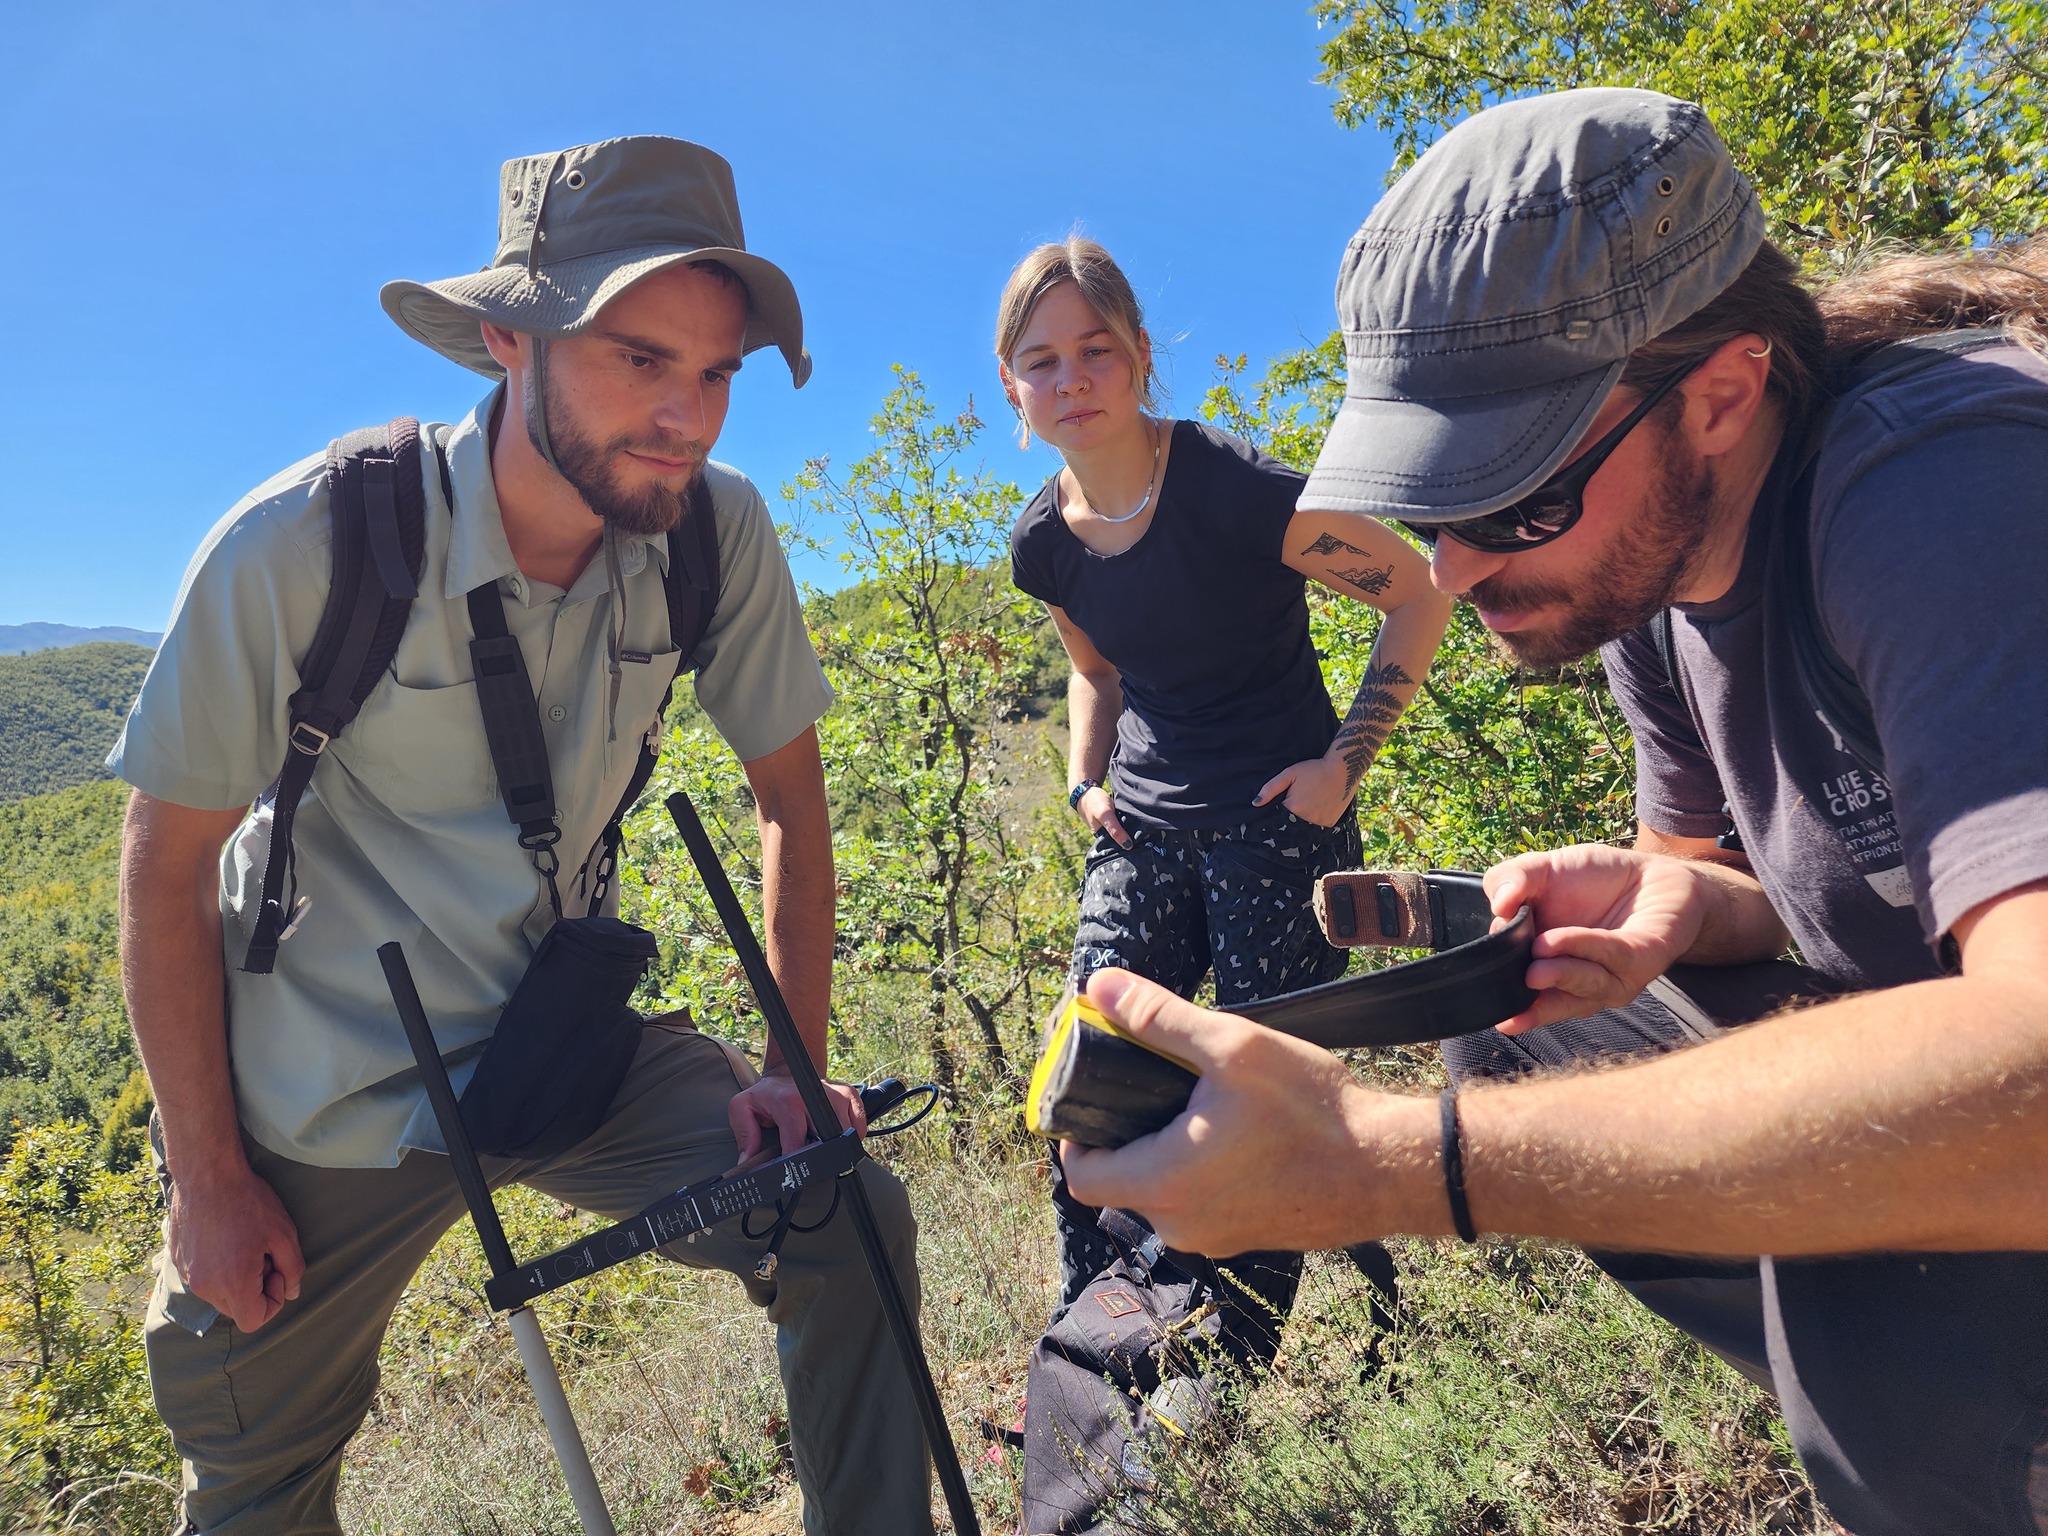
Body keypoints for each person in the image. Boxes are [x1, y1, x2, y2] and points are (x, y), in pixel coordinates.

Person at [1058, 89, 2048, 1536]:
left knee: (1883, 1318)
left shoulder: (1938, 489)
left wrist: (1394, 1165)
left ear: (1721, 393)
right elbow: (1793, 879)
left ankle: (1946, 1401)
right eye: (1429, 509)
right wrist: (1690, 904)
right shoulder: (1659, 573)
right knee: (1527, 1028)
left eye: (1512, 502)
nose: (1451, 572)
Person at [114, 136, 931, 1536]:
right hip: (328, 1092)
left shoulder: (713, 533)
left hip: (562, 1043)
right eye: (638, 358)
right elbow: (164, 867)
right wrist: (209, 1180)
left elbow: (790, 804)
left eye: (717, 373)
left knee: (839, 1210)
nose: (685, 417)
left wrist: (791, 1072)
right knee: (253, 1474)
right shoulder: (305, 545)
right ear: (509, 340)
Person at [998, 237, 1450, 1391]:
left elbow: (1413, 593)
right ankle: (1091, 1370)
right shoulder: (1043, 544)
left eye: (1095, 350)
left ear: (1139, 355)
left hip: (1273, 826)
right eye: (1041, 360)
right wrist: (1084, 781)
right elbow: (1094, 672)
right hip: (1141, 830)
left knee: (1257, 1105)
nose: (1070, 379)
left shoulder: (1235, 490)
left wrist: (1340, 766)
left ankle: (1217, 1389)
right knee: (1086, 1085)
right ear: (1012, 387)